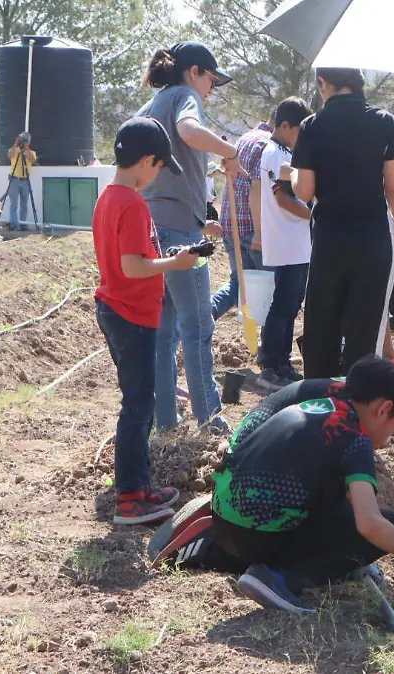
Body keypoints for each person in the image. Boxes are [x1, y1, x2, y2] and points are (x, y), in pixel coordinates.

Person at [153, 357, 394, 613]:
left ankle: (213, 546)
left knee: (331, 496)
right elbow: (370, 524)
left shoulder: (325, 400)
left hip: (227, 507)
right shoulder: (354, 437)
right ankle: (277, 578)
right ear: (384, 409)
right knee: (388, 523)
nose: (385, 442)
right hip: (262, 532)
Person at [92, 117, 198, 525]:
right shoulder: (132, 203)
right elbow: (133, 266)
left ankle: (139, 484)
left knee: (140, 402)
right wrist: (176, 262)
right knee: (138, 406)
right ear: (148, 160)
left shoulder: (109, 198)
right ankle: (130, 498)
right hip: (131, 314)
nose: (157, 176)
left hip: (118, 311)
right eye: (158, 167)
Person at [288, 67, 394, 378]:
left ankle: (319, 407)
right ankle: (358, 413)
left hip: (330, 240)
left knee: (322, 326)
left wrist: (291, 173)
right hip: (373, 239)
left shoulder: (311, 126)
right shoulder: (384, 122)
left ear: (324, 83)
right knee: (365, 331)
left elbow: (304, 191)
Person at [137, 42, 239, 434]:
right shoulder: (184, 97)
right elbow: (189, 131)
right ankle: (211, 420)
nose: (211, 89)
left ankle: (166, 422)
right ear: (194, 72)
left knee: (164, 333)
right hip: (178, 234)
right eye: (211, 80)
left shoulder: (148, 109)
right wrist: (230, 152)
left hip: (151, 233)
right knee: (198, 327)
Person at [256, 98, 314, 389]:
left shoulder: (280, 152)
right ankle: (272, 362)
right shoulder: (277, 155)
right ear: (285, 125)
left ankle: (281, 360)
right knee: (284, 305)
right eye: (298, 131)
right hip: (289, 239)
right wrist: (314, 216)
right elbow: (283, 198)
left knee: (289, 304)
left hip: (292, 239)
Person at [210, 120, 270, 321]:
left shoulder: (245, 138)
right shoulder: (266, 144)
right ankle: (267, 342)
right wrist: (260, 231)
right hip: (253, 229)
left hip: (231, 222)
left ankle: (206, 314)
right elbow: (256, 188)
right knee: (268, 289)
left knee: (238, 283)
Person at [6, 133, 36, 231]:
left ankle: (23, 225)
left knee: (24, 204)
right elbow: (10, 155)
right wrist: (16, 143)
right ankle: (14, 225)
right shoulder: (15, 151)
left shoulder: (31, 152)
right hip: (14, 180)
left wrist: (26, 148)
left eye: (26, 140)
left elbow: (33, 159)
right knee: (13, 204)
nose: (24, 142)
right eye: (23, 140)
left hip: (25, 181)